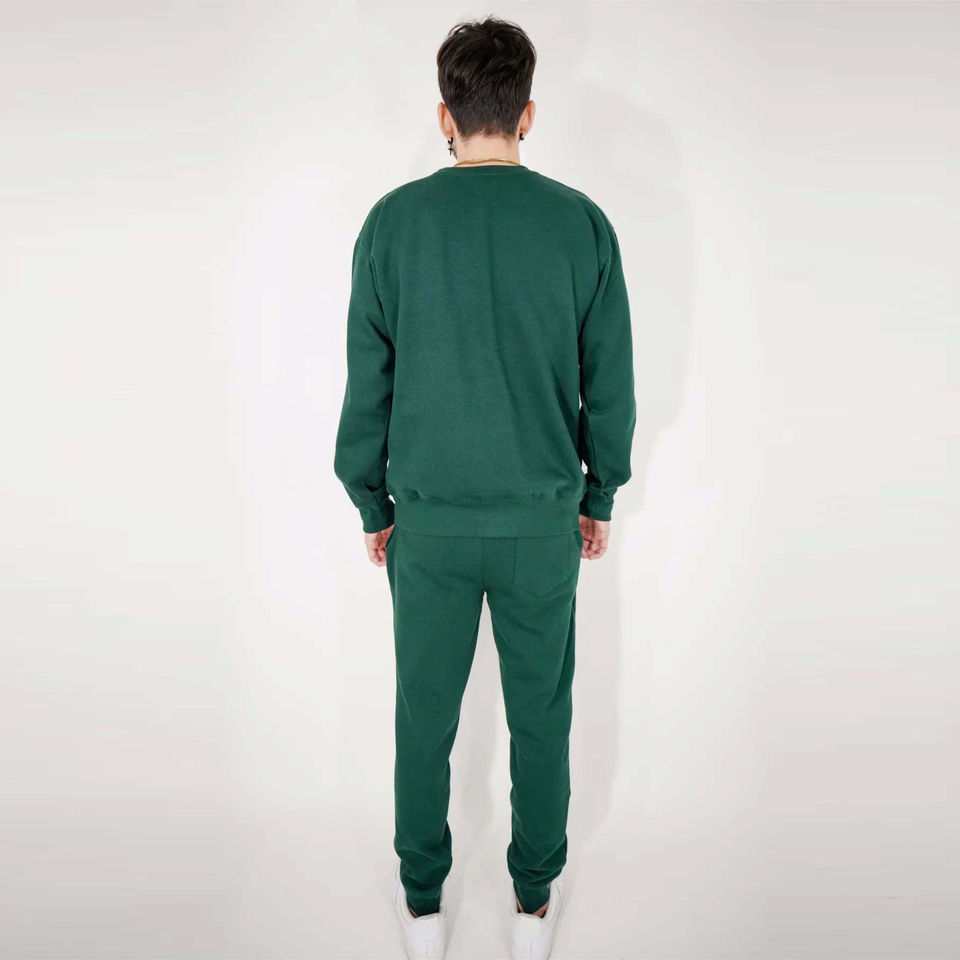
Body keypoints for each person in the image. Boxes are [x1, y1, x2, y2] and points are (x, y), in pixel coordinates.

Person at [334, 15, 636, 960]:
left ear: (445, 115)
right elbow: (610, 383)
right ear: (528, 113)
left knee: (422, 721)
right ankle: (532, 906)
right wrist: (598, 494)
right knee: (543, 720)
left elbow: (369, 383)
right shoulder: (580, 224)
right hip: (542, 525)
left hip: (426, 528)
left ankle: (424, 908)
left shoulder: (392, 223)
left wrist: (373, 503)